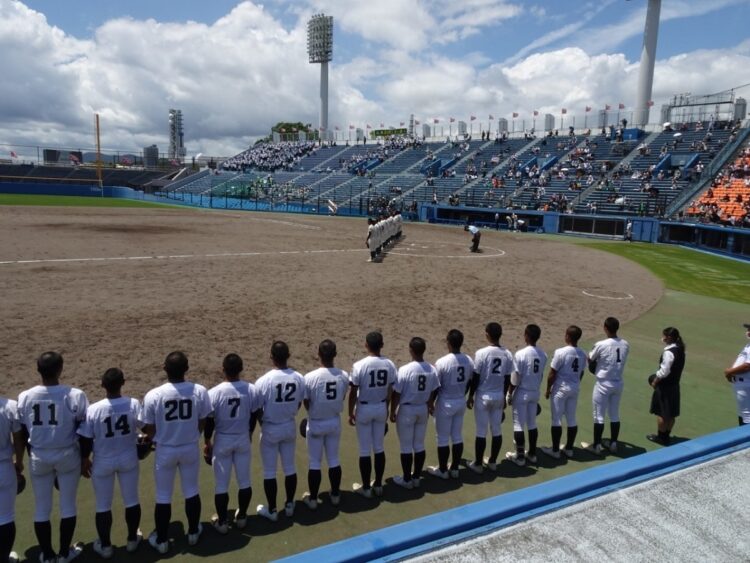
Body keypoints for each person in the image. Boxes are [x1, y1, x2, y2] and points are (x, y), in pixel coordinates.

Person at [16, 351, 88, 563]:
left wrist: (27, 456)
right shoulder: (75, 394)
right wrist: (85, 458)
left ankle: (47, 555)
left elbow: (22, 431)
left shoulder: (25, 396)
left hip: (39, 455)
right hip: (67, 454)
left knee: (41, 507)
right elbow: (83, 431)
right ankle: (65, 553)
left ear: (38, 370)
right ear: (60, 369)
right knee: (68, 504)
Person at [140, 351, 212, 554]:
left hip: (165, 451)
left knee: (163, 495)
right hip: (189, 447)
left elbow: (149, 427)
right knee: (191, 490)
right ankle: (192, 533)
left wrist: (152, 438)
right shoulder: (199, 390)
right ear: (186, 369)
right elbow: (203, 419)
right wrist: (193, 434)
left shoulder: (154, 395)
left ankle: (162, 540)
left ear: (164, 369)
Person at [78, 368, 143, 558]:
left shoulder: (93, 409)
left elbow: (86, 439)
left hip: (103, 461)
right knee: (131, 500)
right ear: (123, 383)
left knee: (102, 505)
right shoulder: (133, 404)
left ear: (102, 385)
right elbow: (145, 427)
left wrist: (84, 460)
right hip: (128, 457)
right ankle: (132, 539)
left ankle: (105, 546)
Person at [204, 354, 259, 533]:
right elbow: (253, 415)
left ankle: (222, 522)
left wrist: (207, 441)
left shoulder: (214, 392)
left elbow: (210, 421)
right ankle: (242, 516)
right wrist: (250, 433)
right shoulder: (251, 389)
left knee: (221, 484)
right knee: (244, 481)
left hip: (223, 440)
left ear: (223, 369)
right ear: (241, 369)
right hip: (242, 438)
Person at [254, 341, 305, 521]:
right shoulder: (298, 377)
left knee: (269, 471)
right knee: (289, 467)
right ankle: (290, 504)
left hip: (270, 427)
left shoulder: (263, 381)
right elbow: (299, 402)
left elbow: (257, 408)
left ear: (271, 357)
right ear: (288, 355)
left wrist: (263, 422)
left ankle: (273, 509)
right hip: (289, 425)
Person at [348, 331, 397, 498]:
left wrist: (350, 412)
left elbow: (353, 392)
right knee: (379, 447)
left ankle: (367, 488)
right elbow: (391, 389)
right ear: (381, 345)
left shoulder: (359, 365)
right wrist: (388, 406)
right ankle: (378, 484)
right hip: (381, 407)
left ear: (366, 345)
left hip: (364, 408)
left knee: (364, 450)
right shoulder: (389, 364)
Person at [302, 340, 349, 508]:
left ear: (319, 354)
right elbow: (342, 396)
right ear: (335, 354)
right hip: (334, 421)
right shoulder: (344, 375)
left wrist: (313, 413)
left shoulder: (309, 377)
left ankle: (313, 499)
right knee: (334, 459)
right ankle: (335, 494)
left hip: (315, 423)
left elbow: (306, 402)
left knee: (315, 462)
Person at [390, 338, 439, 489]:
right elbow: (434, 389)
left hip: (407, 410)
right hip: (422, 409)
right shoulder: (431, 369)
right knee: (419, 444)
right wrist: (430, 403)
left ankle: (406, 480)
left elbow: (396, 393)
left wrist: (392, 410)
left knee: (406, 446)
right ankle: (416, 477)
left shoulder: (405, 369)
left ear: (410, 350)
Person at [466, 322, 514, 472]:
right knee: (496, 430)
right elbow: (507, 378)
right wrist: (505, 395)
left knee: (481, 431)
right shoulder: (507, 353)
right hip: (498, 396)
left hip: (483, 396)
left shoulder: (481, 353)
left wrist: (470, 395)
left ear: (487, 334)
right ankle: (493, 462)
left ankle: (478, 464)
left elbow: (476, 376)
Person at [428, 329, 474, 479]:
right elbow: (471, 381)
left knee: (442, 437)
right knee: (456, 436)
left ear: (448, 342)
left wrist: (430, 402)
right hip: (460, 401)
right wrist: (465, 394)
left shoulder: (441, 362)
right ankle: (454, 468)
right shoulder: (469, 360)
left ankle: (442, 470)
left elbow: (436, 386)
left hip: (445, 403)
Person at [582, 317, 630, 455]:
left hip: (603, 383)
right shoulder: (626, 344)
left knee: (598, 415)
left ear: (605, 328)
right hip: (618, 383)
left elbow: (590, 358)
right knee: (614, 414)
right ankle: (613, 443)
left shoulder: (601, 344)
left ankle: (596, 446)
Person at [541, 326, 587, 459]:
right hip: (574, 388)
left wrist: (548, 389)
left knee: (556, 419)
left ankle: (555, 450)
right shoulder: (582, 353)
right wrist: (576, 383)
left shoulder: (560, 352)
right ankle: (569, 449)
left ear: (567, 336)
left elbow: (552, 373)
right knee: (571, 418)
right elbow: (582, 372)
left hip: (560, 389)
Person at [505, 324, 548, 466]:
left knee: (518, 425)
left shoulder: (520, 354)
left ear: (526, 336)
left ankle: (520, 456)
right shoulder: (543, 354)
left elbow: (515, 377)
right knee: (532, 424)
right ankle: (532, 454)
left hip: (522, 392)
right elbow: (541, 375)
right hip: (534, 392)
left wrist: (510, 393)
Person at [647, 327, 686, 445]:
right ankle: (666, 435)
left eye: (664, 335)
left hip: (665, 387)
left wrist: (655, 381)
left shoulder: (669, 352)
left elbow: (664, 371)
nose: (662, 337)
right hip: (674, 385)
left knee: (662, 413)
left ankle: (661, 437)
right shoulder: (680, 349)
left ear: (668, 337)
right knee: (671, 413)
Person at [1, 394, 24, 563]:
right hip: (4, 467)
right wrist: (20, 462)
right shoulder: (9, 406)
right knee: (6, 517)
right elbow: (18, 438)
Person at [724, 323, 750, 426]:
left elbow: (747, 366)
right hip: (742, 384)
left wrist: (729, 372)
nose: (747, 331)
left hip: (746, 385)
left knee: (747, 417)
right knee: (743, 414)